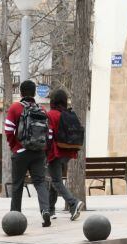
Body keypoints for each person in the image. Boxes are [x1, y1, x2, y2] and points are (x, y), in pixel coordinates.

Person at [4, 80, 52, 227]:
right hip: (38, 153)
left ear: (21, 92)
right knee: (39, 182)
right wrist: (43, 150)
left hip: (21, 152)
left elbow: (8, 129)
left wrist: (14, 146)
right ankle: (45, 210)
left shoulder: (15, 108)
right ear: (34, 93)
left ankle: (15, 216)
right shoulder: (42, 109)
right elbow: (48, 134)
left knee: (18, 184)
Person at [46, 88, 84, 221]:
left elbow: (49, 135)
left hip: (55, 152)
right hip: (67, 152)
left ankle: (73, 203)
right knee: (55, 180)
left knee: (56, 180)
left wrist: (45, 152)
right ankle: (51, 210)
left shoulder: (51, 115)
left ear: (53, 101)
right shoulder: (68, 114)